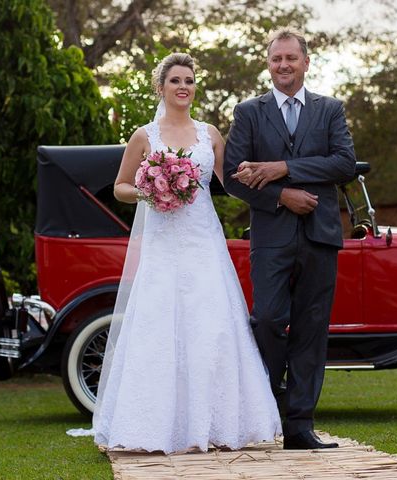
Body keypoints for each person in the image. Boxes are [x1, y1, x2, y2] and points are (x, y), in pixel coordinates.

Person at [90, 53, 281, 453]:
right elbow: (121, 186)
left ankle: (217, 423)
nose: (184, 86)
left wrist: (273, 182)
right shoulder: (145, 136)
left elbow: (231, 182)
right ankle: (153, 426)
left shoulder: (210, 133)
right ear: (161, 88)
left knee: (211, 325)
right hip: (163, 242)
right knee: (159, 328)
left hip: (203, 239)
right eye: (175, 80)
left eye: (190, 80)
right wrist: (149, 190)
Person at [223, 29, 356, 450]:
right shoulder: (248, 112)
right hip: (271, 237)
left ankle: (299, 426)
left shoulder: (330, 109)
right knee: (266, 319)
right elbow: (233, 178)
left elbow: (344, 163)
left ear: (306, 62)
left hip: (320, 238)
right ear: (269, 63)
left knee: (311, 330)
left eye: (291, 59)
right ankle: (270, 402)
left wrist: (282, 168)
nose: (283, 65)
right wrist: (282, 196)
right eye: (277, 58)